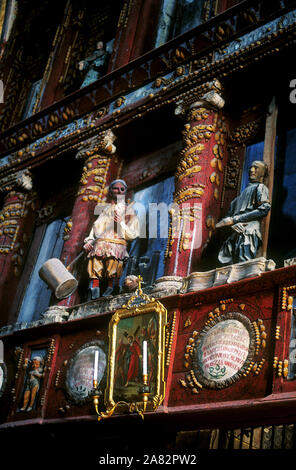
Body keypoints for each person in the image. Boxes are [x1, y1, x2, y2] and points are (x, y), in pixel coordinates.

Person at [83, 179, 139, 299]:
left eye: (122, 189)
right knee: (94, 269)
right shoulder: (104, 210)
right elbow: (96, 228)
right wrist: (89, 240)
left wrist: (121, 223)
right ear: (110, 192)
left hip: (116, 244)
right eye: (116, 188)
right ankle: (93, 293)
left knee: (114, 270)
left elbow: (133, 233)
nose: (119, 191)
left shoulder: (129, 211)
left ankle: (112, 291)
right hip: (99, 245)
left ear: (125, 193)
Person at [216, 160, 271, 265]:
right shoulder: (237, 200)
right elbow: (226, 220)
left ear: (263, 173)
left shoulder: (260, 188)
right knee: (227, 263)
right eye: (251, 167)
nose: (251, 170)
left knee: (244, 264)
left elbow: (264, 208)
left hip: (249, 230)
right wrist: (233, 224)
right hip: (234, 233)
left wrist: (235, 219)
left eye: (256, 168)